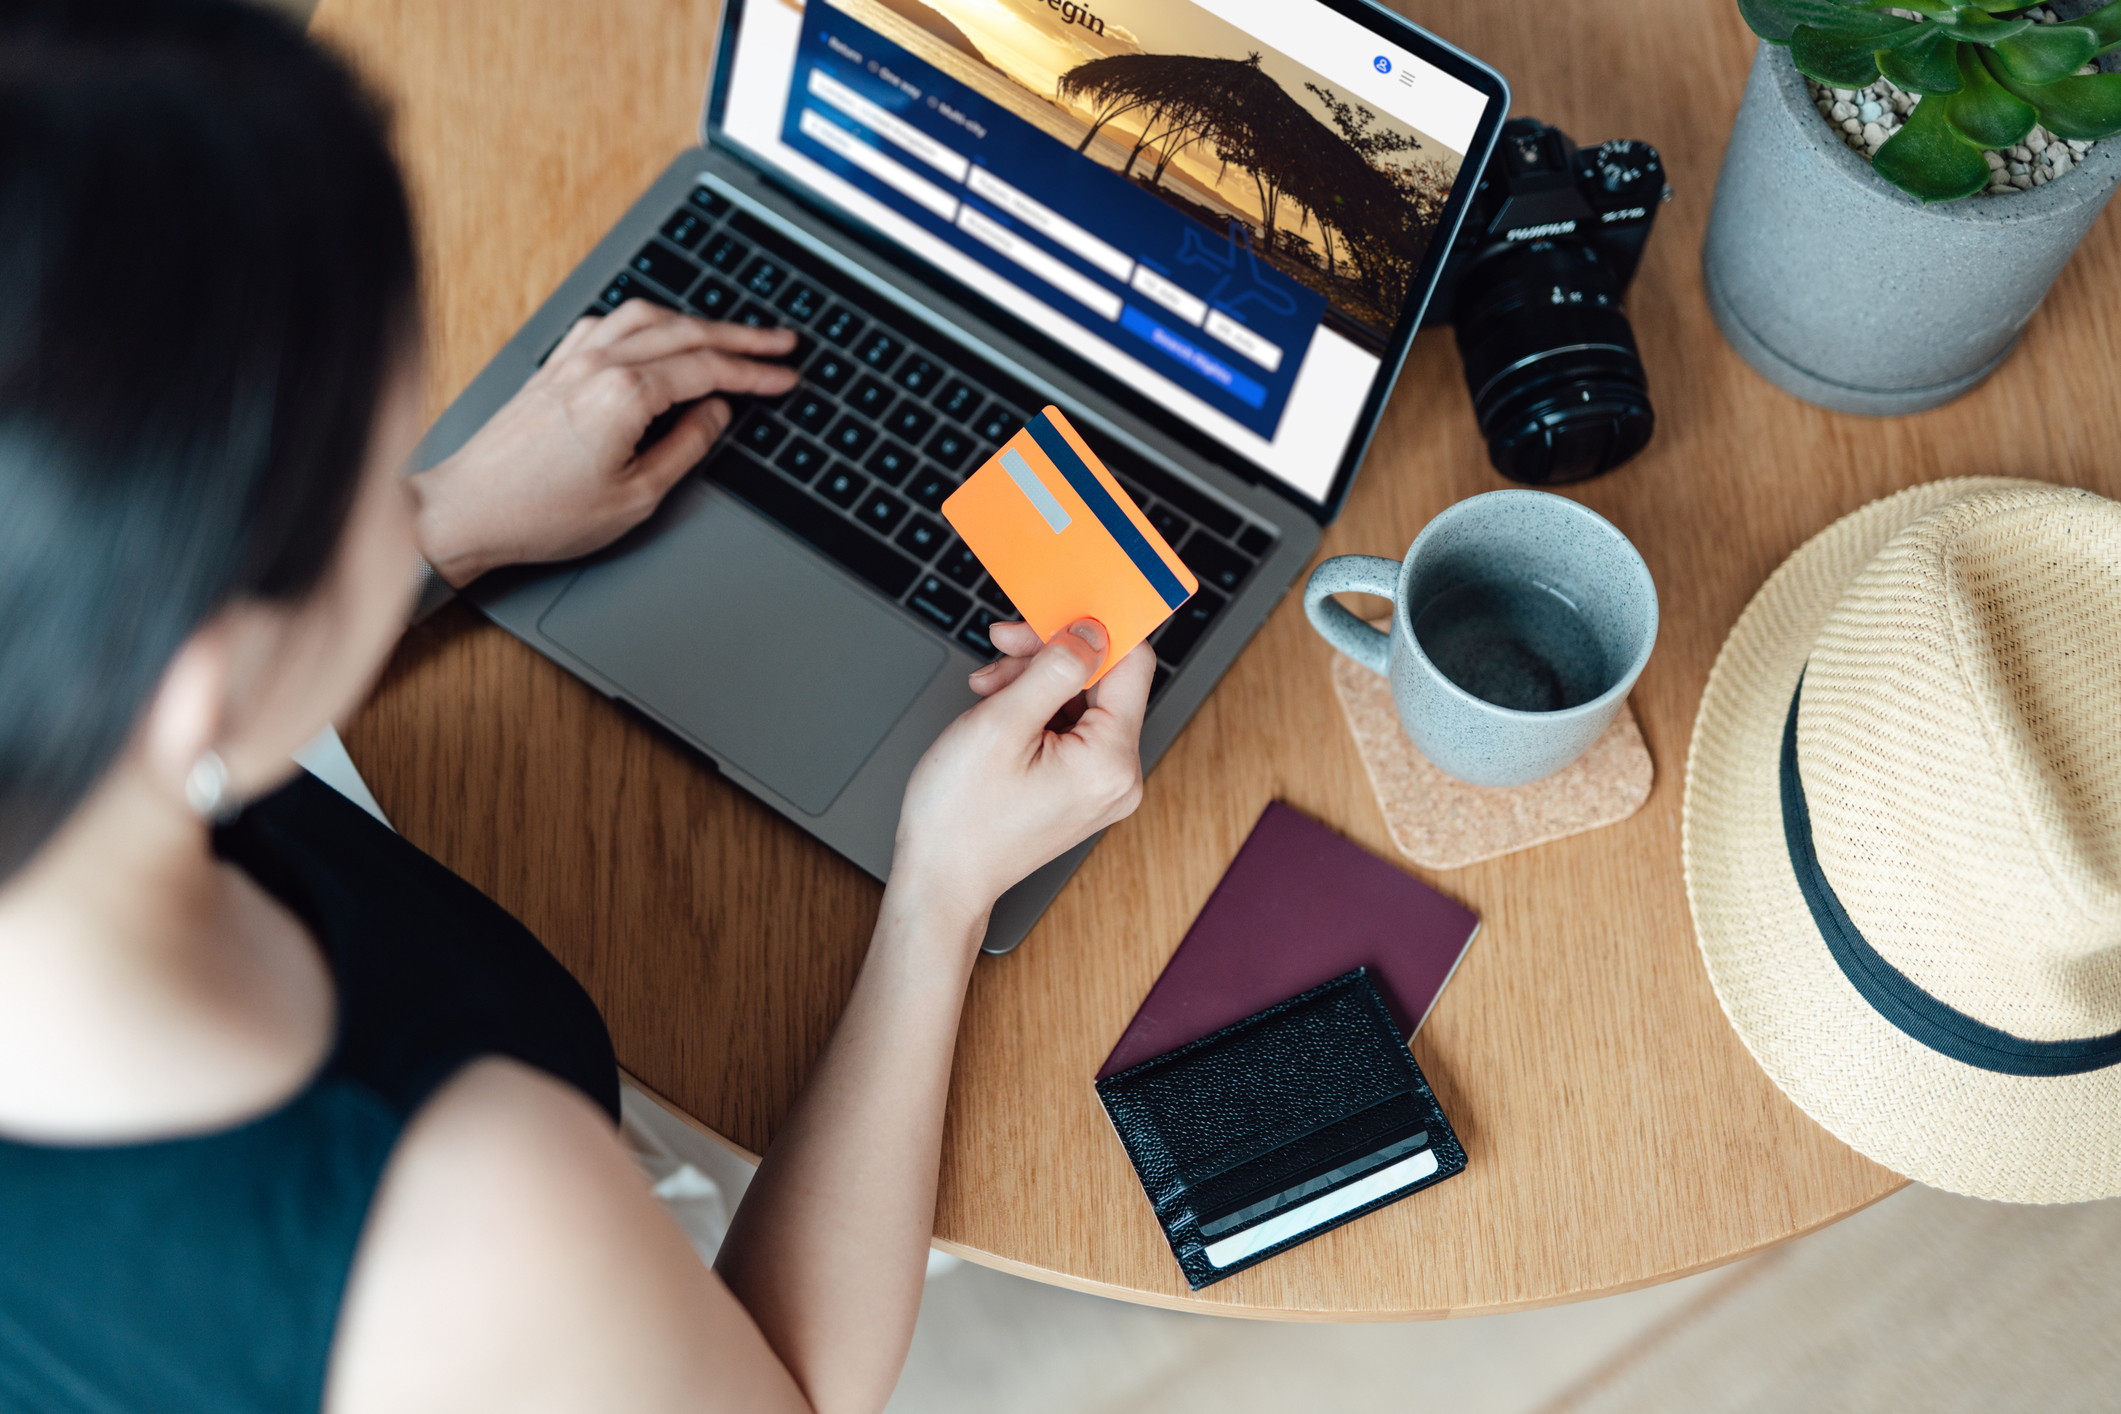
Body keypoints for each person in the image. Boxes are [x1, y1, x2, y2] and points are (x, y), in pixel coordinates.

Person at [0, 5, 1152, 1412]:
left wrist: (458, 519)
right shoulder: (463, 1228)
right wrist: (940, 890)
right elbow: (787, 1383)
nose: (409, 477)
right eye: (376, 470)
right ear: (199, 678)